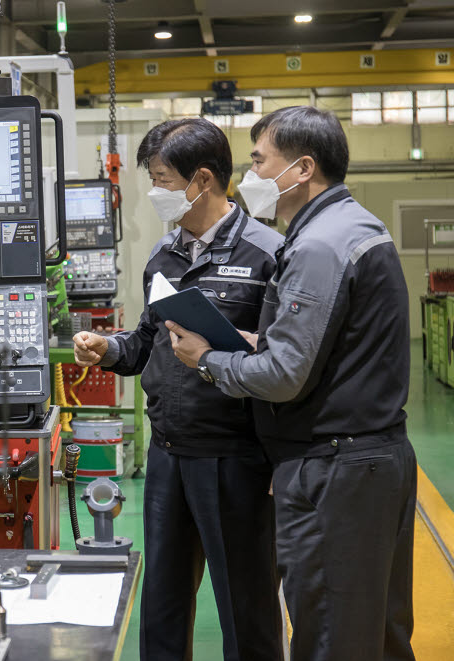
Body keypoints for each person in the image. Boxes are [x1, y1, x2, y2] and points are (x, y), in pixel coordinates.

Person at [168, 106, 416, 661]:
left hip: (337, 473)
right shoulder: (355, 226)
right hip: (373, 461)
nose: (251, 176)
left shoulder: (317, 245)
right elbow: (334, 346)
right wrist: (261, 342)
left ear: (302, 169)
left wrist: (208, 358)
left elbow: (283, 378)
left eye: (259, 162)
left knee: (330, 636)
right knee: (377, 633)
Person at [73, 118, 284, 661]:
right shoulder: (164, 255)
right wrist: (109, 348)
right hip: (169, 452)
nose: (156, 192)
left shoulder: (268, 255)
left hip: (236, 459)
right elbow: (148, 340)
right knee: (162, 609)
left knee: (247, 610)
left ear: (204, 179)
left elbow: (286, 361)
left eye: (163, 179)